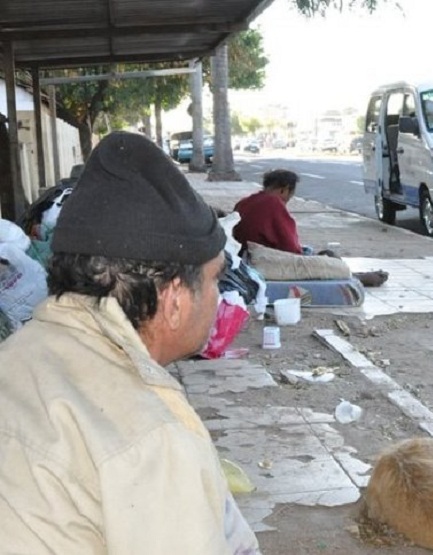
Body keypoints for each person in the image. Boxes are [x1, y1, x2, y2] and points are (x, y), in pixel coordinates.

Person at [0, 132, 260, 554]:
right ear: (174, 300)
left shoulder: (16, 357)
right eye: (214, 279)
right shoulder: (152, 433)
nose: (218, 297)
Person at [233, 168, 388, 287]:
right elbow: (290, 247)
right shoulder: (273, 203)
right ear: (284, 189)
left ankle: (352, 273)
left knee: (324, 255)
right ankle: (356, 277)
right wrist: (309, 258)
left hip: (244, 256)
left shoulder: (245, 202)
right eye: (290, 193)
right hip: (263, 260)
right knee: (327, 260)